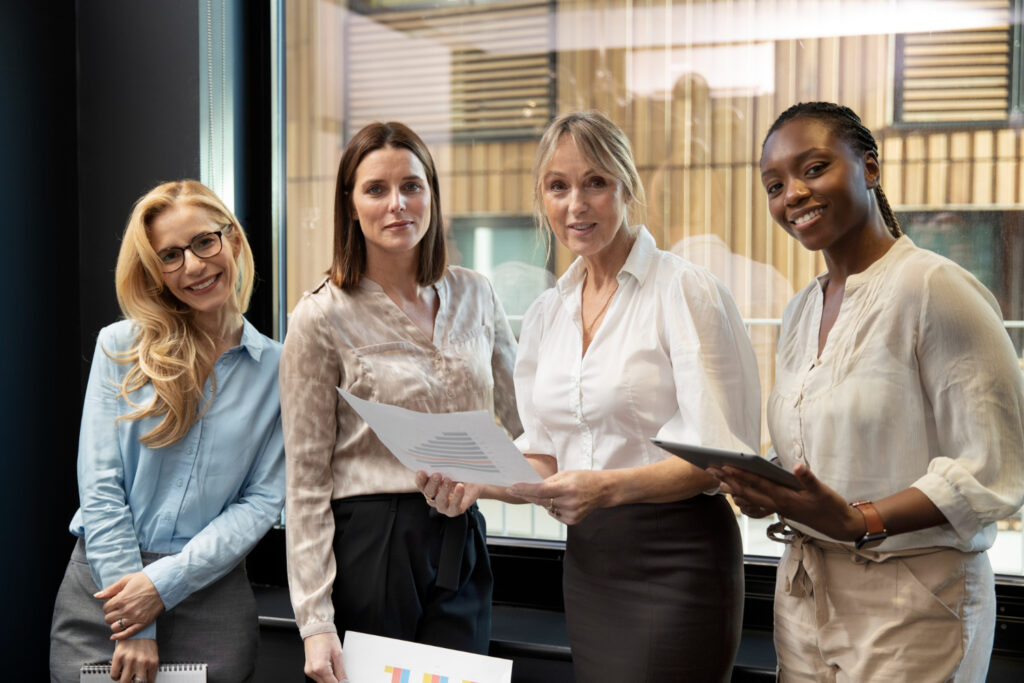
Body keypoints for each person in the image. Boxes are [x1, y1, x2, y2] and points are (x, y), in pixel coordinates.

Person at [421, 110, 761, 682]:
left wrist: (606, 488)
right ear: (543, 200)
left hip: (677, 559)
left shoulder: (684, 290)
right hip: (589, 566)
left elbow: (722, 460)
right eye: (558, 186)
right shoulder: (548, 313)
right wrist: (478, 480)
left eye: (595, 182)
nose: (576, 204)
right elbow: (548, 456)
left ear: (626, 187)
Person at [712, 101, 1024, 681]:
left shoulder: (935, 288)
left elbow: (992, 470)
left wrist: (859, 520)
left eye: (813, 168)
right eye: (775, 185)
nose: (793, 195)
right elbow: (825, 445)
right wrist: (771, 485)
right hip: (805, 593)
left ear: (870, 169)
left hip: (913, 601)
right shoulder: (802, 309)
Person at [280, 121, 522, 683]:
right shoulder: (319, 316)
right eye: (376, 189)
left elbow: (526, 425)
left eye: (412, 186)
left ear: (432, 194)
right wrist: (315, 624)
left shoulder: (475, 293)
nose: (398, 204)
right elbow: (307, 481)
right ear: (351, 204)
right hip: (372, 547)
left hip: (462, 535)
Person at [49, 180, 286, 683]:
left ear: (234, 240)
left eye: (204, 242)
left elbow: (263, 501)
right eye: (171, 255)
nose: (195, 266)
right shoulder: (119, 348)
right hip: (105, 596)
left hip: (211, 594)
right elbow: (100, 487)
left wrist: (163, 584)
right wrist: (134, 623)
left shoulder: (280, 370)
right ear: (155, 272)